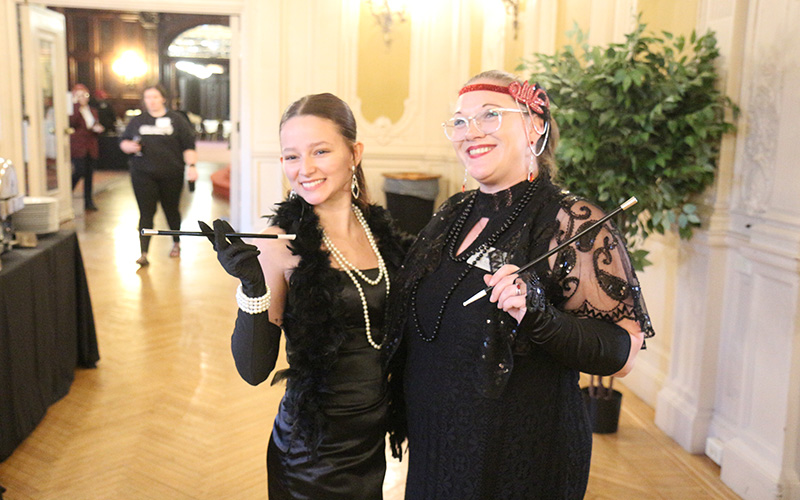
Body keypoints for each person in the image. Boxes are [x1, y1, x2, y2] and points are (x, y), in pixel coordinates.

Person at [383, 70, 655, 499]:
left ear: (535, 125)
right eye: (458, 121)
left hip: (520, 455)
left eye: (489, 115)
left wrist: (537, 314)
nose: (469, 132)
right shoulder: (454, 213)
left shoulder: (571, 222)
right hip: (438, 446)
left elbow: (623, 353)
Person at [200, 93, 408, 499]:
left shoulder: (380, 235)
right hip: (311, 457)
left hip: (370, 447)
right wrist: (252, 287)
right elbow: (254, 368)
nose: (305, 169)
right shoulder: (278, 245)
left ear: (354, 153)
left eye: (321, 151)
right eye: (291, 156)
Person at [120, 84, 198, 266]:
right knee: (146, 213)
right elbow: (123, 142)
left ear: (163, 99)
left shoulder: (176, 120)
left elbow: (188, 145)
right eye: (148, 97)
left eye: (155, 97)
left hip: (171, 173)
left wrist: (192, 166)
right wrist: (128, 146)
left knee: (171, 210)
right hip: (142, 174)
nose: (151, 101)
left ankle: (176, 243)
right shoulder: (138, 121)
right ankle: (144, 252)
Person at [70, 83, 104, 211]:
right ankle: (68, 193)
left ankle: (88, 201)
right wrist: (76, 105)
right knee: (79, 171)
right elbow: (72, 123)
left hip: (91, 146)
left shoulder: (92, 110)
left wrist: (97, 128)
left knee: (89, 175)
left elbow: (93, 124)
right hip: (78, 146)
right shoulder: (73, 110)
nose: (83, 98)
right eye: (79, 95)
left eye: (85, 95)